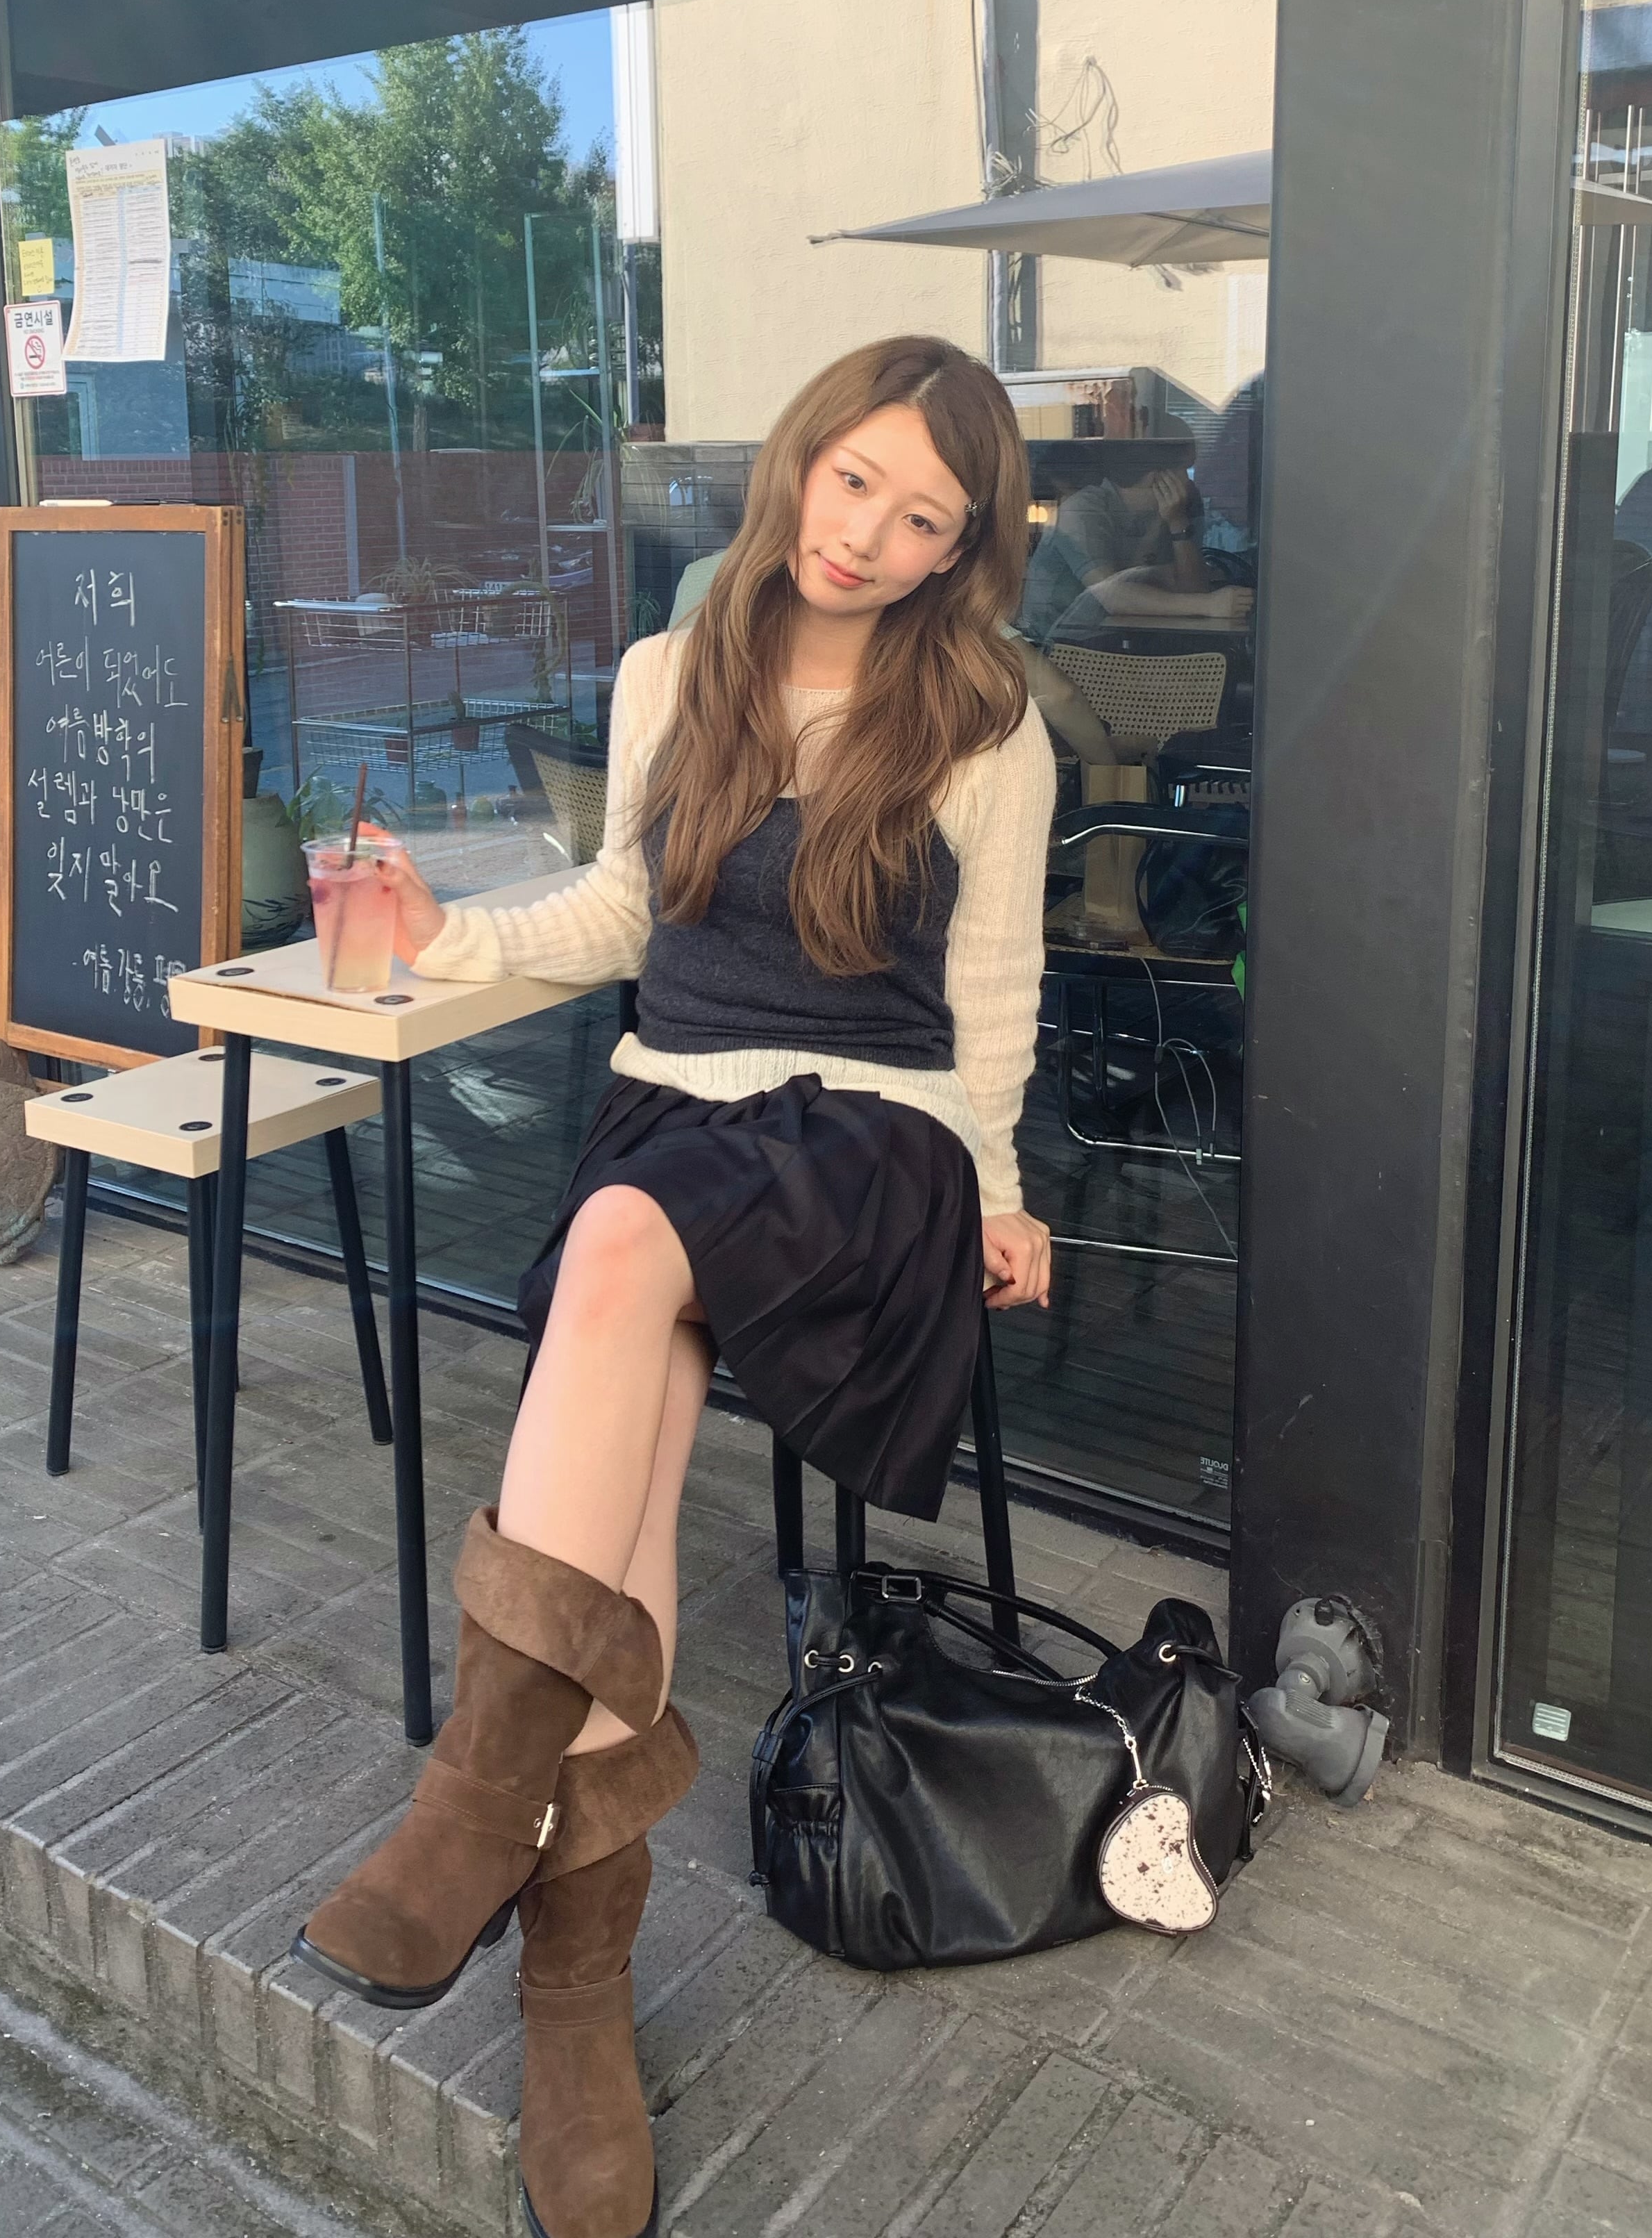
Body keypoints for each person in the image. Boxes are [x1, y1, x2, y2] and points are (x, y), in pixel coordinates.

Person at [291, 337, 1055, 2238]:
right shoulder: (671, 671)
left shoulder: (983, 718)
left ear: (962, 550)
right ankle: (576, 1972)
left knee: (617, 1254)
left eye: (924, 519)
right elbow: (625, 915)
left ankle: (475, 1813)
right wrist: (444, 933)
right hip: (679, 1109)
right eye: (854, 480)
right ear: (801, 456)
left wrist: (1003, 1188)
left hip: (870, 1134)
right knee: (623, 1365)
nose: (867, 536)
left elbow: (992, 998)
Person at [1018, 459, 1252, 646]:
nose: (1190, 482)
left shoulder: (1170, 510)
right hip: (1058, 648)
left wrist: (1176, 522)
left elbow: (1191, 588)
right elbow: (1111, 595)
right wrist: (1208, 606)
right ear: (1158, 477)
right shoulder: (1082, 511)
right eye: (1185, 468)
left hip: (1117, 642)